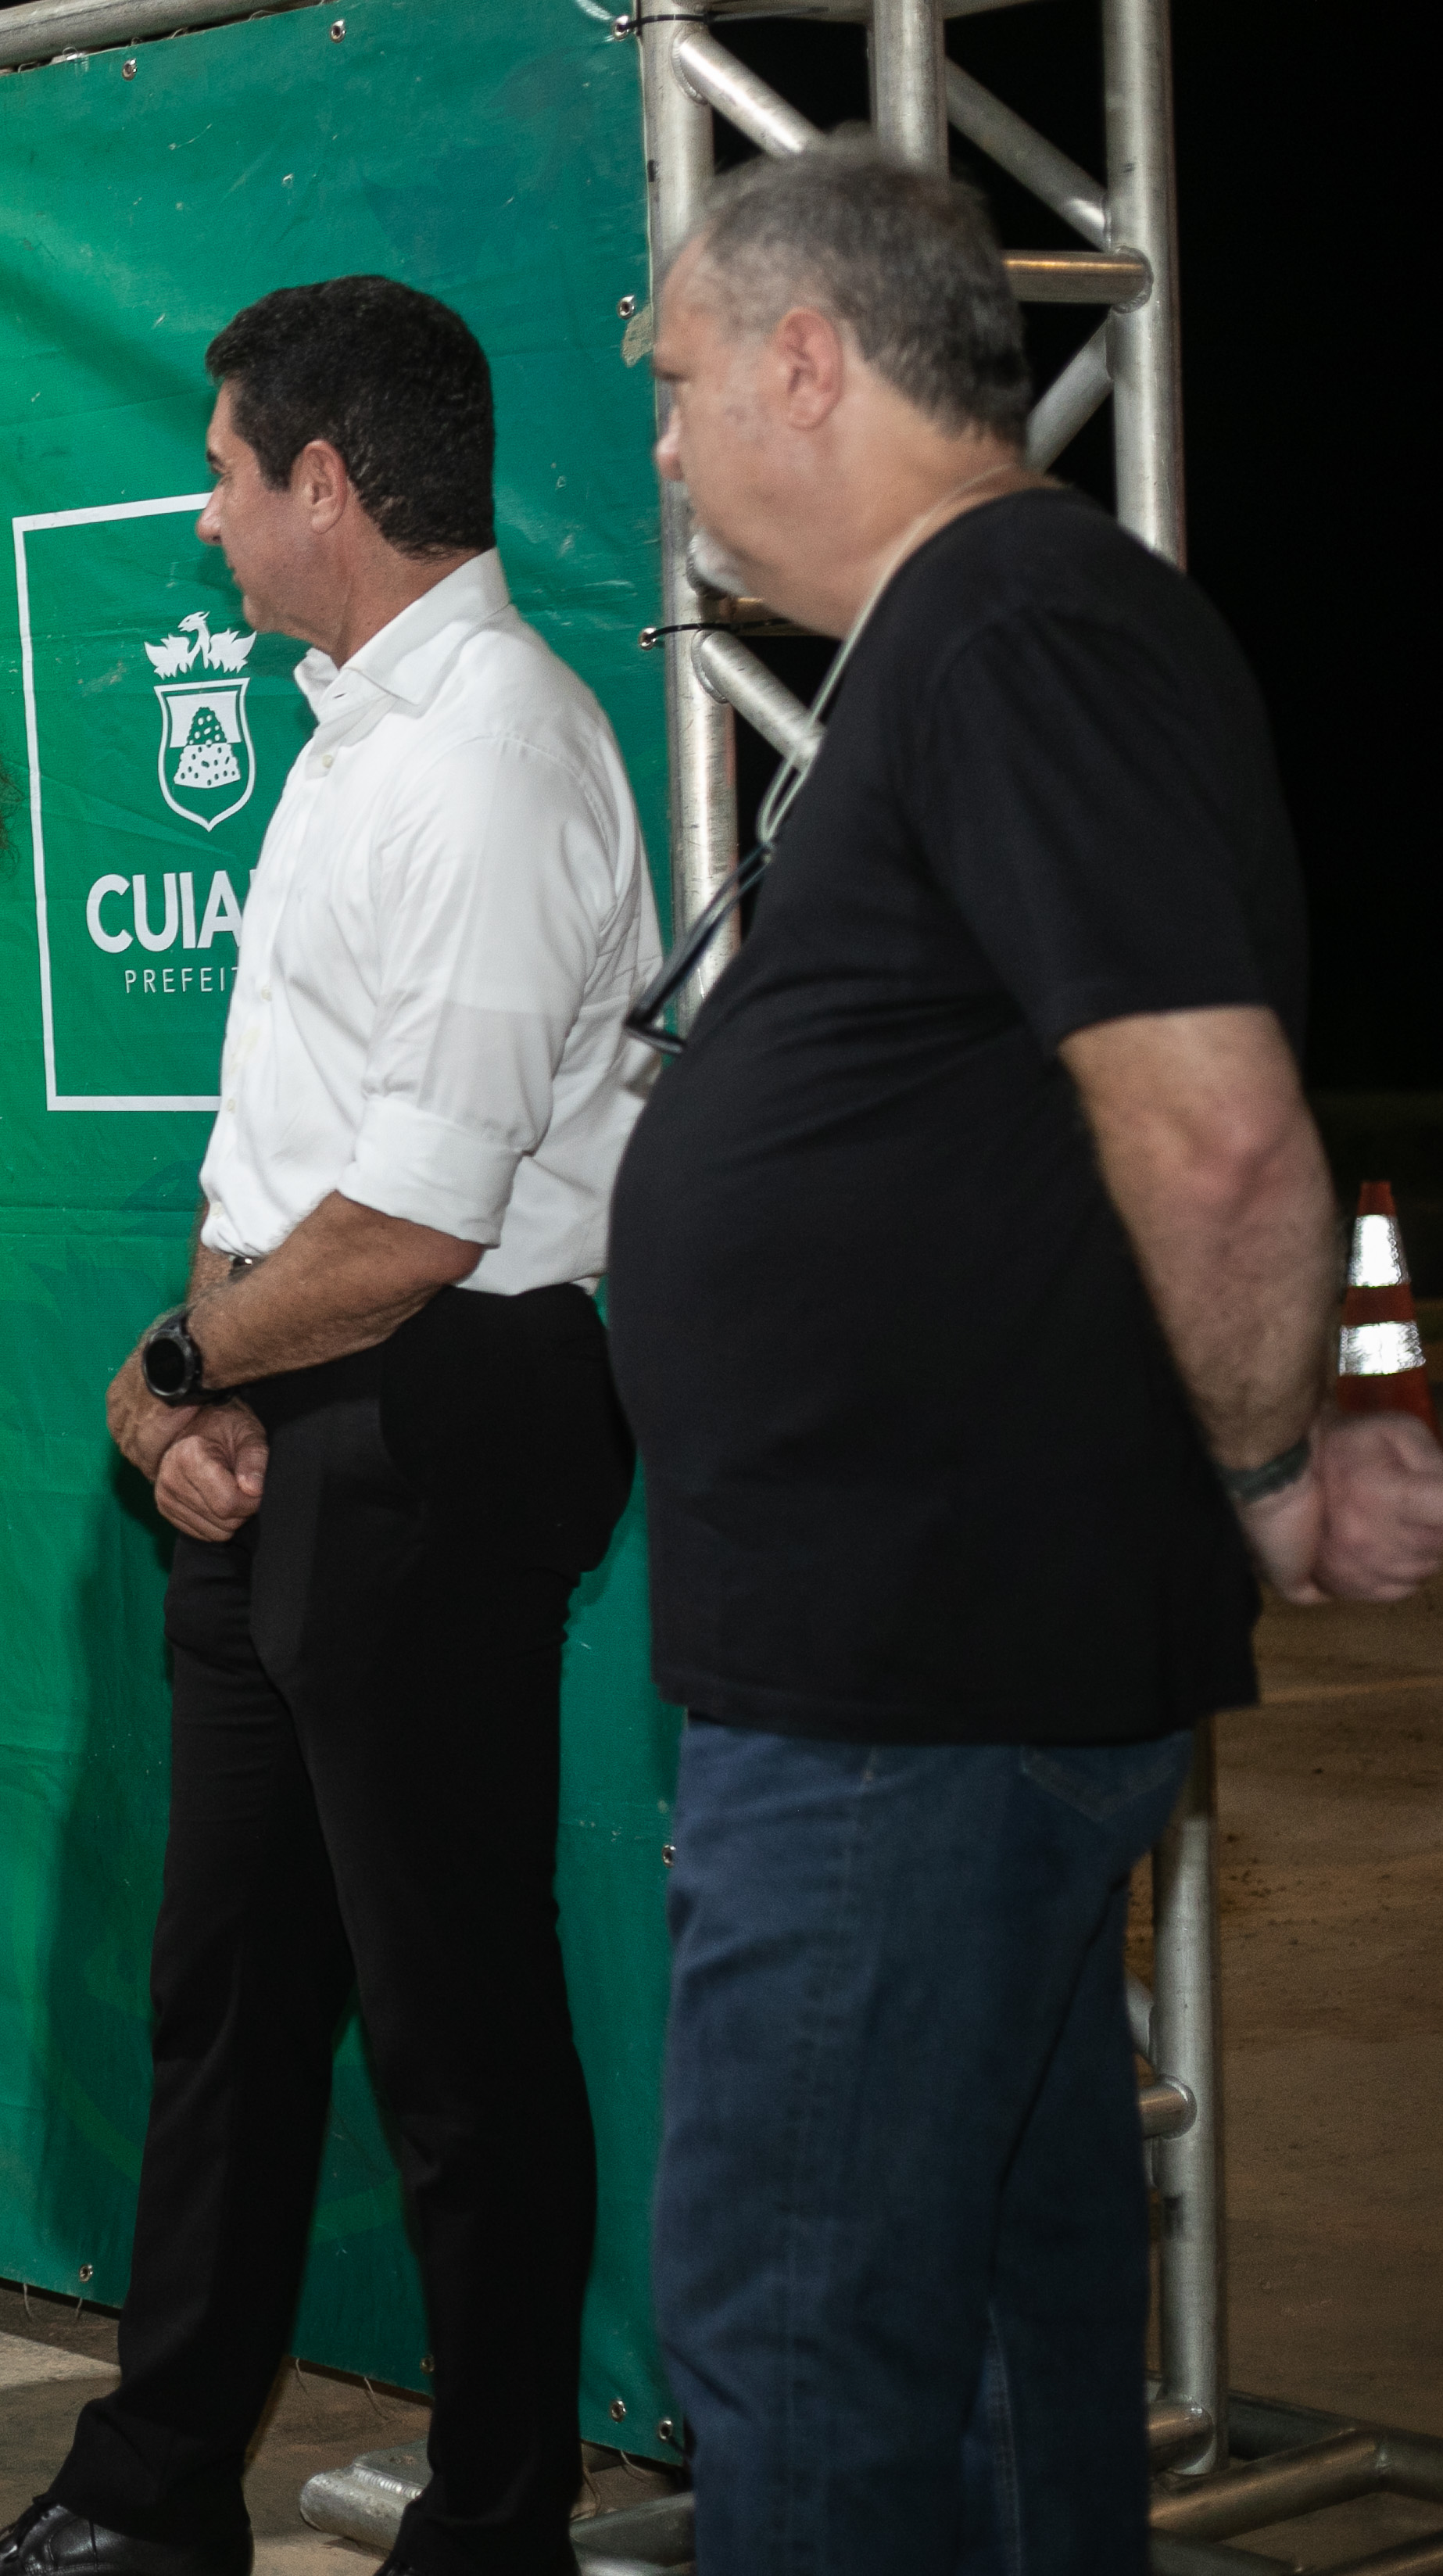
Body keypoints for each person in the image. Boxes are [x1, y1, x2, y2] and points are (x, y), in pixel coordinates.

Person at [610, 145, 1443, 2575]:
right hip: (936, 1661)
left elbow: (1215, 1130)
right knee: (981, 2307)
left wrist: (1272, 1469)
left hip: (915, 1676)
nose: (663, 437)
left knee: (808, 2325)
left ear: (803, 360)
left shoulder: (1013, 629)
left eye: (678, 377)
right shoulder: (985, 638)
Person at [0, 278, 661, 2576]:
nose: (206, 516)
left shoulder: (494, 753)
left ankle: (496, 2524)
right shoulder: (353, 728)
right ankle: (156, 2498)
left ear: (324, 483)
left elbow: (421, 1217)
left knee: (451, 2026)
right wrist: (205, 1389)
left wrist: (184, 1371)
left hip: (438, 1408)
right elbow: (280, 1159)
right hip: (298, 1400)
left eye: (224, 473)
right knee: (229, 2003)